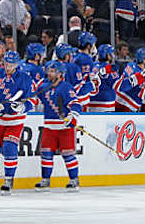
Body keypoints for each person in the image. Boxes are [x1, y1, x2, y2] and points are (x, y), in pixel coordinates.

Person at [0, 51, 37, 195]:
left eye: (12, 64)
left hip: (15, 121)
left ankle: (9, 179)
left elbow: (33, 99)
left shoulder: (25, 78)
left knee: (10, 148)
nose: (8, 67)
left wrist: (24, 107)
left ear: (17, 64)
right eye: (6, 64)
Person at [34, 61, 84, 192]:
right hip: (49, 127)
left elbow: (76, 104)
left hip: (64, 129)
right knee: (46, 154)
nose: (49, 74)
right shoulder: (43, 86)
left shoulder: (66, 87)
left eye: (52, 71)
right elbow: (34, 99)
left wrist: (72, 117)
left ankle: (74, 179)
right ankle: (45, 180)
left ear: (60, 74)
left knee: (68, 155)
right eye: (48, 71)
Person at [114, 48, 145, 112]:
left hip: (126, 104)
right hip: (125, 105)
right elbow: (124, 85)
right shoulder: (134, 69)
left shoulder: (132, 65)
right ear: (144, 60)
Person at [88, 44, 119, 112]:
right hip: (106, 104)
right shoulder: (110, 69)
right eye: (111, 53)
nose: (113, 55)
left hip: (91, 102)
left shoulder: (92, 65)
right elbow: (118, 85)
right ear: (108, 55)